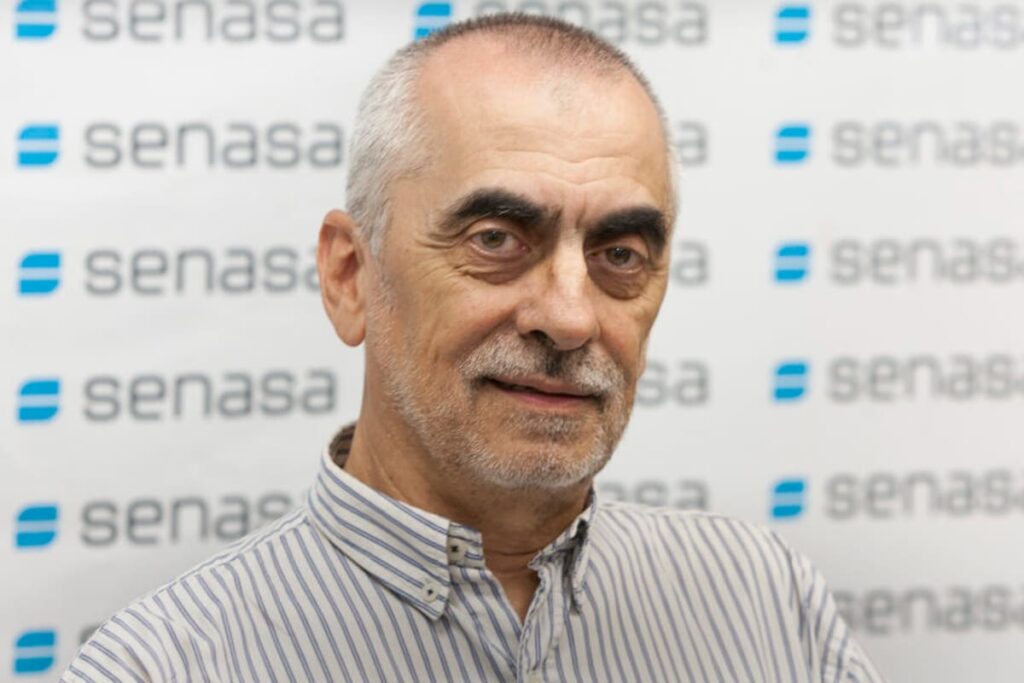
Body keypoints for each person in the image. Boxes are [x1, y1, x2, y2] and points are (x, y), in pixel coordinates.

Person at [63, 14, 884, 683]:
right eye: (496, 238)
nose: (570, 317)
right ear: (350, 275)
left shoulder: (766, 604)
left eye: (620, 254)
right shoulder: (164, 666)